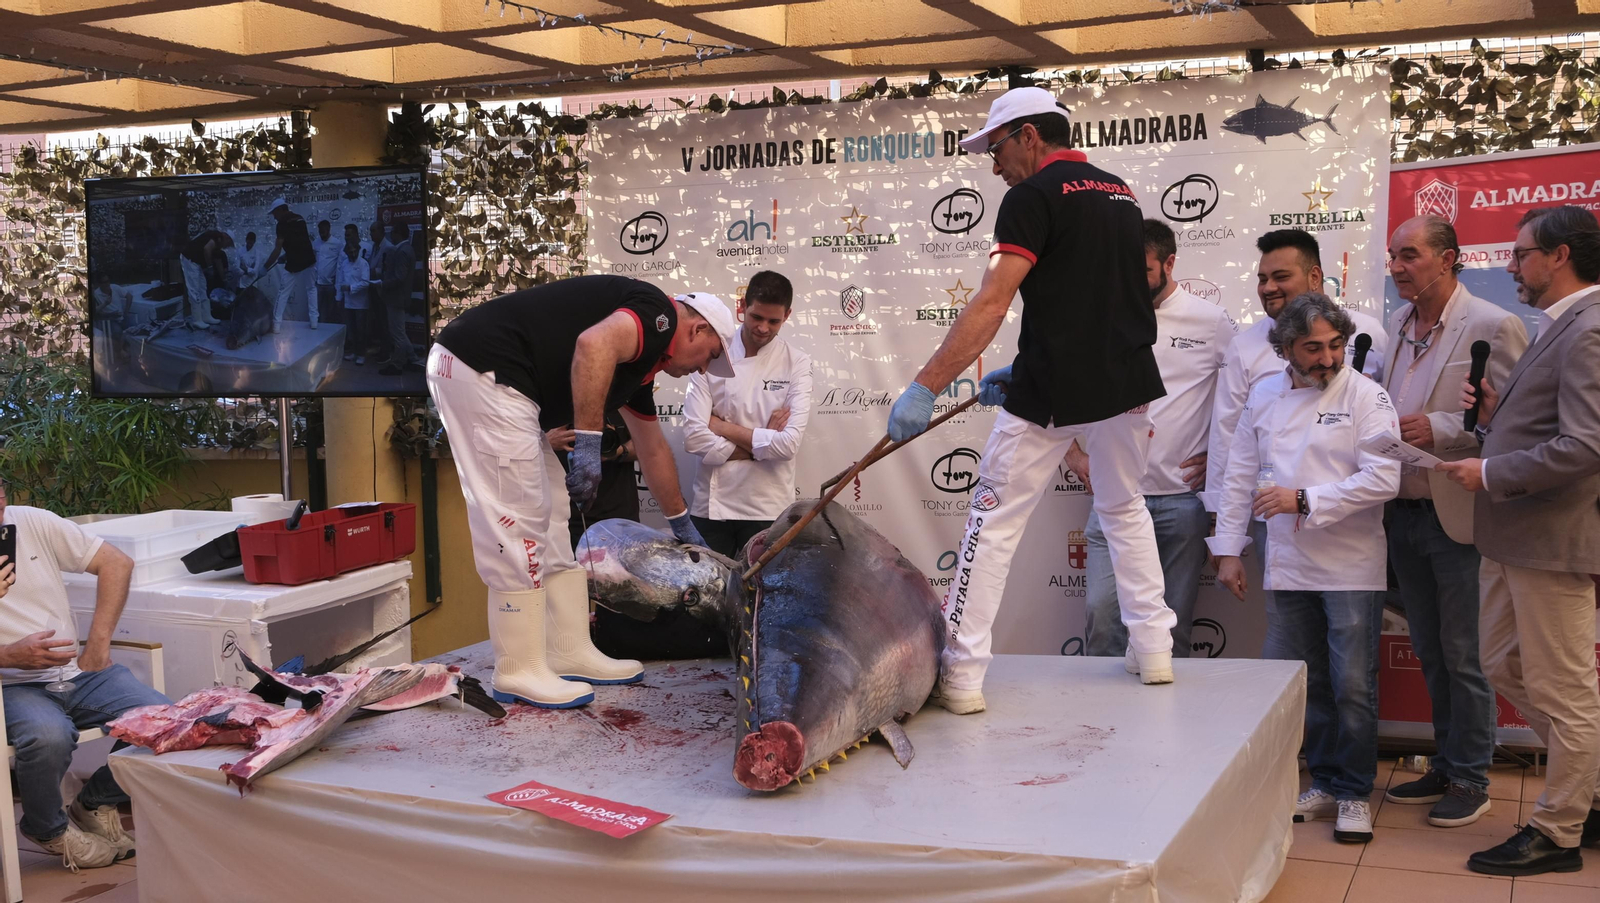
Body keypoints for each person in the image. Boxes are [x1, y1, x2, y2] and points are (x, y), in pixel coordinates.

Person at [886, 86, 1177, 713]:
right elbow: (1100, 302)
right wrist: (1021, 364)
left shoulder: (1031, 197)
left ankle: (962, 677)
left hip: (1054, 390)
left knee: (992, 524)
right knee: (1125, 509)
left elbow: (993, 302)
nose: (994, 165)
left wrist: (926, 386)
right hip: (1127, 381)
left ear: (1028, 136)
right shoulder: (1119, 192)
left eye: (996, 148)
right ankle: (1154, 651)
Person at [428, 276, 735, 709]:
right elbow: (594, 345)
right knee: (519, 518)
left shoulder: (640, 369)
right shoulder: (658, 315)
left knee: (552, 513)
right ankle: (518, 667)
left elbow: (652, 450)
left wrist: (681, 523)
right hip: (483, 369)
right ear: (697, 330)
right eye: (711, 357)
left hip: (503, 380)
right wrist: (589, 444)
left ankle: (566, 649)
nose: (704, 368)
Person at [1438, 205, 1600, 876]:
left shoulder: (1590, 329)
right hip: (1510, 537)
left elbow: (1587, 444)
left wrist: (1491, 468)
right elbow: (1547, 427)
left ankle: (1562, 827)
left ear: (1558, 255)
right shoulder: (1557, 326)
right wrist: (1491, 421)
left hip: (1551, 542)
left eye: (1521, 252)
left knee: (1566, 692)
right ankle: (1582, 774)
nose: (1511, 264)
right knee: (1505, 666)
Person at [1210, 292, 1400, 846]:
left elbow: (1384, 478)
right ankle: (1322, 780)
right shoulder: (1265, 394)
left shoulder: (1368, 395)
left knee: (1352, 686)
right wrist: (1227, 548)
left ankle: (1355, 793)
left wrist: (1305, 499)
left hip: (1350, 565)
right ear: (1285, 349)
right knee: (1305, 682)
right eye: (1312, 348)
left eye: (1335, 345)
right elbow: (1239, 469)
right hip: (1287, 564)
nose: (1327, 358)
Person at [1378, 215, 1529, 828]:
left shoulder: (1493, 325)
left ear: (1448, 259)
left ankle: (1472, 777)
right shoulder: (1394, 323)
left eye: (1409, 254)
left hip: (1459, 515)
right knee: (1431, 651)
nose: (1396, 266)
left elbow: (1518, 423)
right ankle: (1445, 761)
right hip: (1401, 510)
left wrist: (1440, 430)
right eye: (1391, 255)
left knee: (1465, 653)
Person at [1079, 220, 1235, 660]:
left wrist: (1219, 459)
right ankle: (1097, 729)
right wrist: (1074, 455)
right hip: (1114, 496)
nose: (1130, 280)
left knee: (1171, 631)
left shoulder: (1213, 321)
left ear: (1170, 263)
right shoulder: (1102, 313)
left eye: (1143, 270)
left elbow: (1245, 400)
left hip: (1180, 503)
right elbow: (1062, 391)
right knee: (1103, 617)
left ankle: (1166, 728)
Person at [1203, 229, 1389, 591]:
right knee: (1287, 632)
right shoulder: (1244, 346)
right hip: (1274, 517)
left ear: (1315, 277)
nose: (1268, 287)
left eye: (1280, 276)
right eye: (1262, 279)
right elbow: (1229, 440)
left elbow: (1384, 426)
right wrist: (1222, 530)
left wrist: (1308, 499)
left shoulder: (1366, 332)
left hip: (1350, 524)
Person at [0, 482, 170, 870]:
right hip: (9, 686)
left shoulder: (33, 522)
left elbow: (117, 562)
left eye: (0, 499)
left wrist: (98, 644)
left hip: (76, 671)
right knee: (47, 737)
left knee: (165, 722)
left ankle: (94, 801)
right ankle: (47, 828)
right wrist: (9, 654)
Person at [682, 270, 812, 559]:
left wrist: (720, 426)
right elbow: (693, 438)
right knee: (709, 599)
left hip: (769, 508)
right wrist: (760, 446)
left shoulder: (797, 363)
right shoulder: (713, 351)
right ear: (742, 306)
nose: (763, 328)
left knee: (764, 601)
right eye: (756, 317)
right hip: (711, 507)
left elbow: (788, 445)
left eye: (773, 321)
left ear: (787, 315)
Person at [260, 198, 317, 331]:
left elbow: (277, 248)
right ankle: (314, 322)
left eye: (274, 213)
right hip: (309, 258)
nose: (274, 217)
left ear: (280, 209)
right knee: (311, 289)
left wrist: (265, 267)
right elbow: (300, 243)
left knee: (283, 292)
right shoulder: (300, 218)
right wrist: (285, 256)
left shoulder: (281, 224)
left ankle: (276, 325)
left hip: (294, 262)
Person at [379, 223, 420, 376]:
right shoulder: (406, 249)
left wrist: (382, 284)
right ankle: (413, 358)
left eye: (393, 232)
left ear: (398, 234)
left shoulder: (402, 251)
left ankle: (397, 365)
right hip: (399, 297)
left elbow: (399, 277)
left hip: (396, 298)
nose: (391, 236)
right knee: (400, 331)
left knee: (397, 334)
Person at [177, 229, 231, 329]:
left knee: (203, 287)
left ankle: (206, 316)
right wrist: (210, 267)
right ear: (226, 238)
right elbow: (207, 249)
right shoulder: (216, 236)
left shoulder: (216, 242)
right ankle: (197, 320)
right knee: (194, 289)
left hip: (197, 263)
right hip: (189, 260)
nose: (226, 247)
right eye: (228, 244)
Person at [336, 237, 372, 365]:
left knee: (361, 330)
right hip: (348, 302)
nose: (352, 254)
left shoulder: (363, 264)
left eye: (354, 251)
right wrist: (339, 297)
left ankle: (362, 354)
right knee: (351, 330)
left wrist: (351, 288)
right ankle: (354, 352)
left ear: (358, 250)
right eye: (349, 252)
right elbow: (340, 281)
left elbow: (365, 283)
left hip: (361, 303)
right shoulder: (345, 263)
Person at [312, 219, 343, 328]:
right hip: (318, 284)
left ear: (329, 229)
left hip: (331, 285)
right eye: (320, 232)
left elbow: (340, 264)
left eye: (324, 232)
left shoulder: (337, 243)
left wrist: (337, 282)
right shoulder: (316, 243)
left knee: (331, 313)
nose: (322, 235)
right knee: (317, 311)